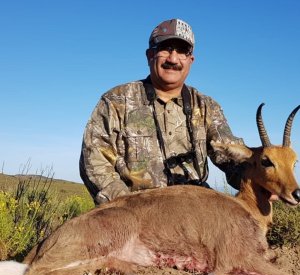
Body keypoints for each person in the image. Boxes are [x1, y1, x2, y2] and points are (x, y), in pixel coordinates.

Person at [80, 18, 244, 205]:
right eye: (165, 49)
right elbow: (94, 159)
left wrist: (264, 176)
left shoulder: (206, 106)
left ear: (191, 60)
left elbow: (232, 157)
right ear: (150, 55)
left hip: (196, 210)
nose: (173, 59)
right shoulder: (116, 101)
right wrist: (126, 206)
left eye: (182, 51)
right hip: (137, 213)